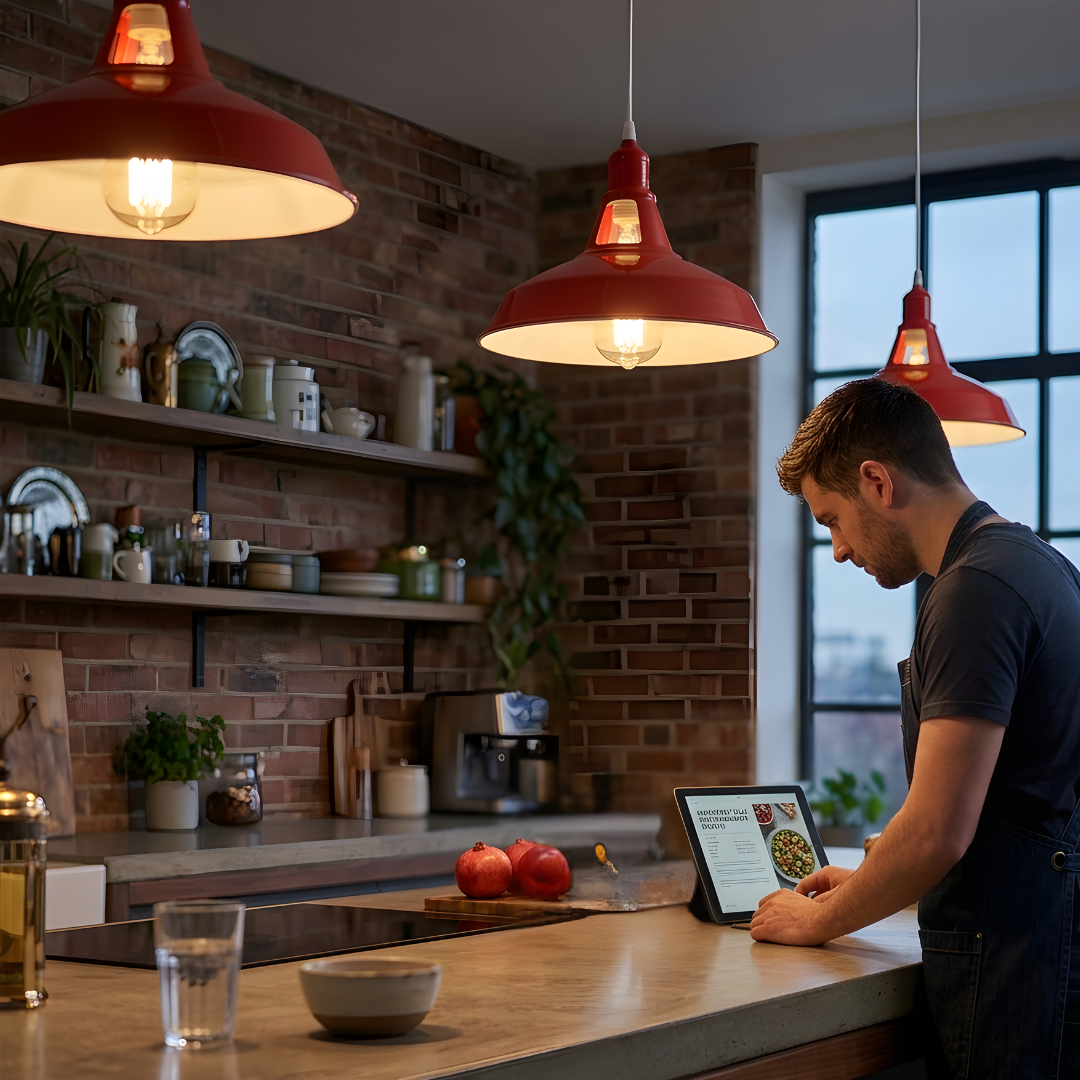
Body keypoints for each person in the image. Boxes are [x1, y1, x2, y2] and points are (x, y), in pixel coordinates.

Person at [751, 378, 1080, 1080]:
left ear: (877, 481)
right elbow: (1012, 800)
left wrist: (814, 921)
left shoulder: (975, 591)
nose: (837, 550)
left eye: (832, 519)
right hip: (1043, 944)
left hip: (1019, 965)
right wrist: (870, 881)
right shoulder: (1038, 565)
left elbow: (937, 829)